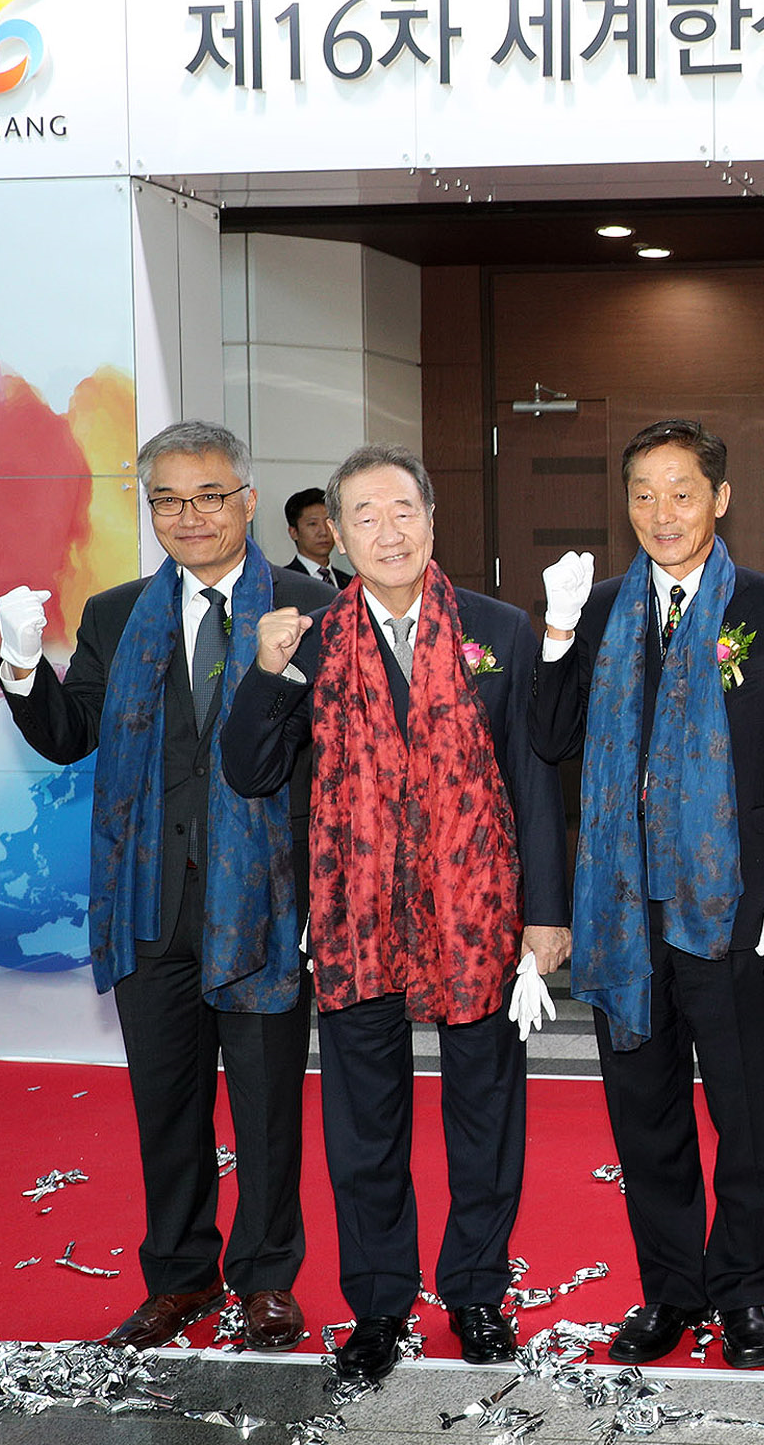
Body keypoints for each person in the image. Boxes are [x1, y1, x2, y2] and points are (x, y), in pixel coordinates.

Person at [221, 443, 566, 1386]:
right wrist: (266, 673)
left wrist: (545, 914)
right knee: (363, 1120)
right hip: (356, 912)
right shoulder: (310, 638)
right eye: (365, 516)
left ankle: (477, 1292)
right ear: (336, 533)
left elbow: (533, 777)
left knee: (485, 1109)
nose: (388, 531)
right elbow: (249, 770)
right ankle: (378, 1302)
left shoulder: (497, 628)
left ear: (432, 519)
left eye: (403, 510)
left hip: (476, 910)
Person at [0, 421, 332, 1353]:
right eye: (168, 500)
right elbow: (71, 734)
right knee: (167, 1106)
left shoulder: (311, 605)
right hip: (149, 902)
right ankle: (180, 1276)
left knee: (267, 1107)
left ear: (247, 500)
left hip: (266, 903)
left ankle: (267, 1279)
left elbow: (341, 764)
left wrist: (328, 894)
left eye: (208, 496)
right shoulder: (116, 614)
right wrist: (22, 666)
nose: (189, 516)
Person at [529, 418, 764, 1370]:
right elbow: (548, 738)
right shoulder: (597, 610)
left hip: (731, 899)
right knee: (643, 1110)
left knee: (746, 1110)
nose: (663, 513)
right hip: (622, 907)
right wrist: (557, 635)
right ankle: (670, 1290)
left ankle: (744, 1291)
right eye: (644, 494)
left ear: (720, 499)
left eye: (683, 492)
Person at [283, 488, 351, 588]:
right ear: (294, 532)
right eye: (313, 524)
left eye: (328, 522)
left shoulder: (350, 583)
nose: (323, 532)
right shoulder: (283, 581)